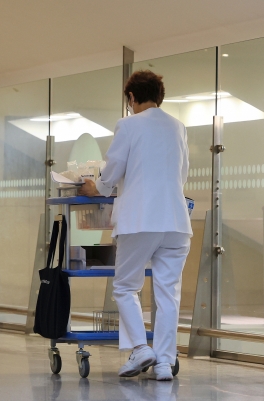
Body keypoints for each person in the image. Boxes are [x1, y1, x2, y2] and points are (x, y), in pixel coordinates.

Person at [78, 70, 192, 381]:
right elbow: (183, 174)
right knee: (168, 293)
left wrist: (97, 188)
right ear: (160, 96)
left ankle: (141, 348)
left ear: (131, 98)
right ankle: (165, 363)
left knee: (125, 286)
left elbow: (113, 169)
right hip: (177, 221)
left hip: (140, 219)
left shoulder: (127, 126)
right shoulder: (178, 127)